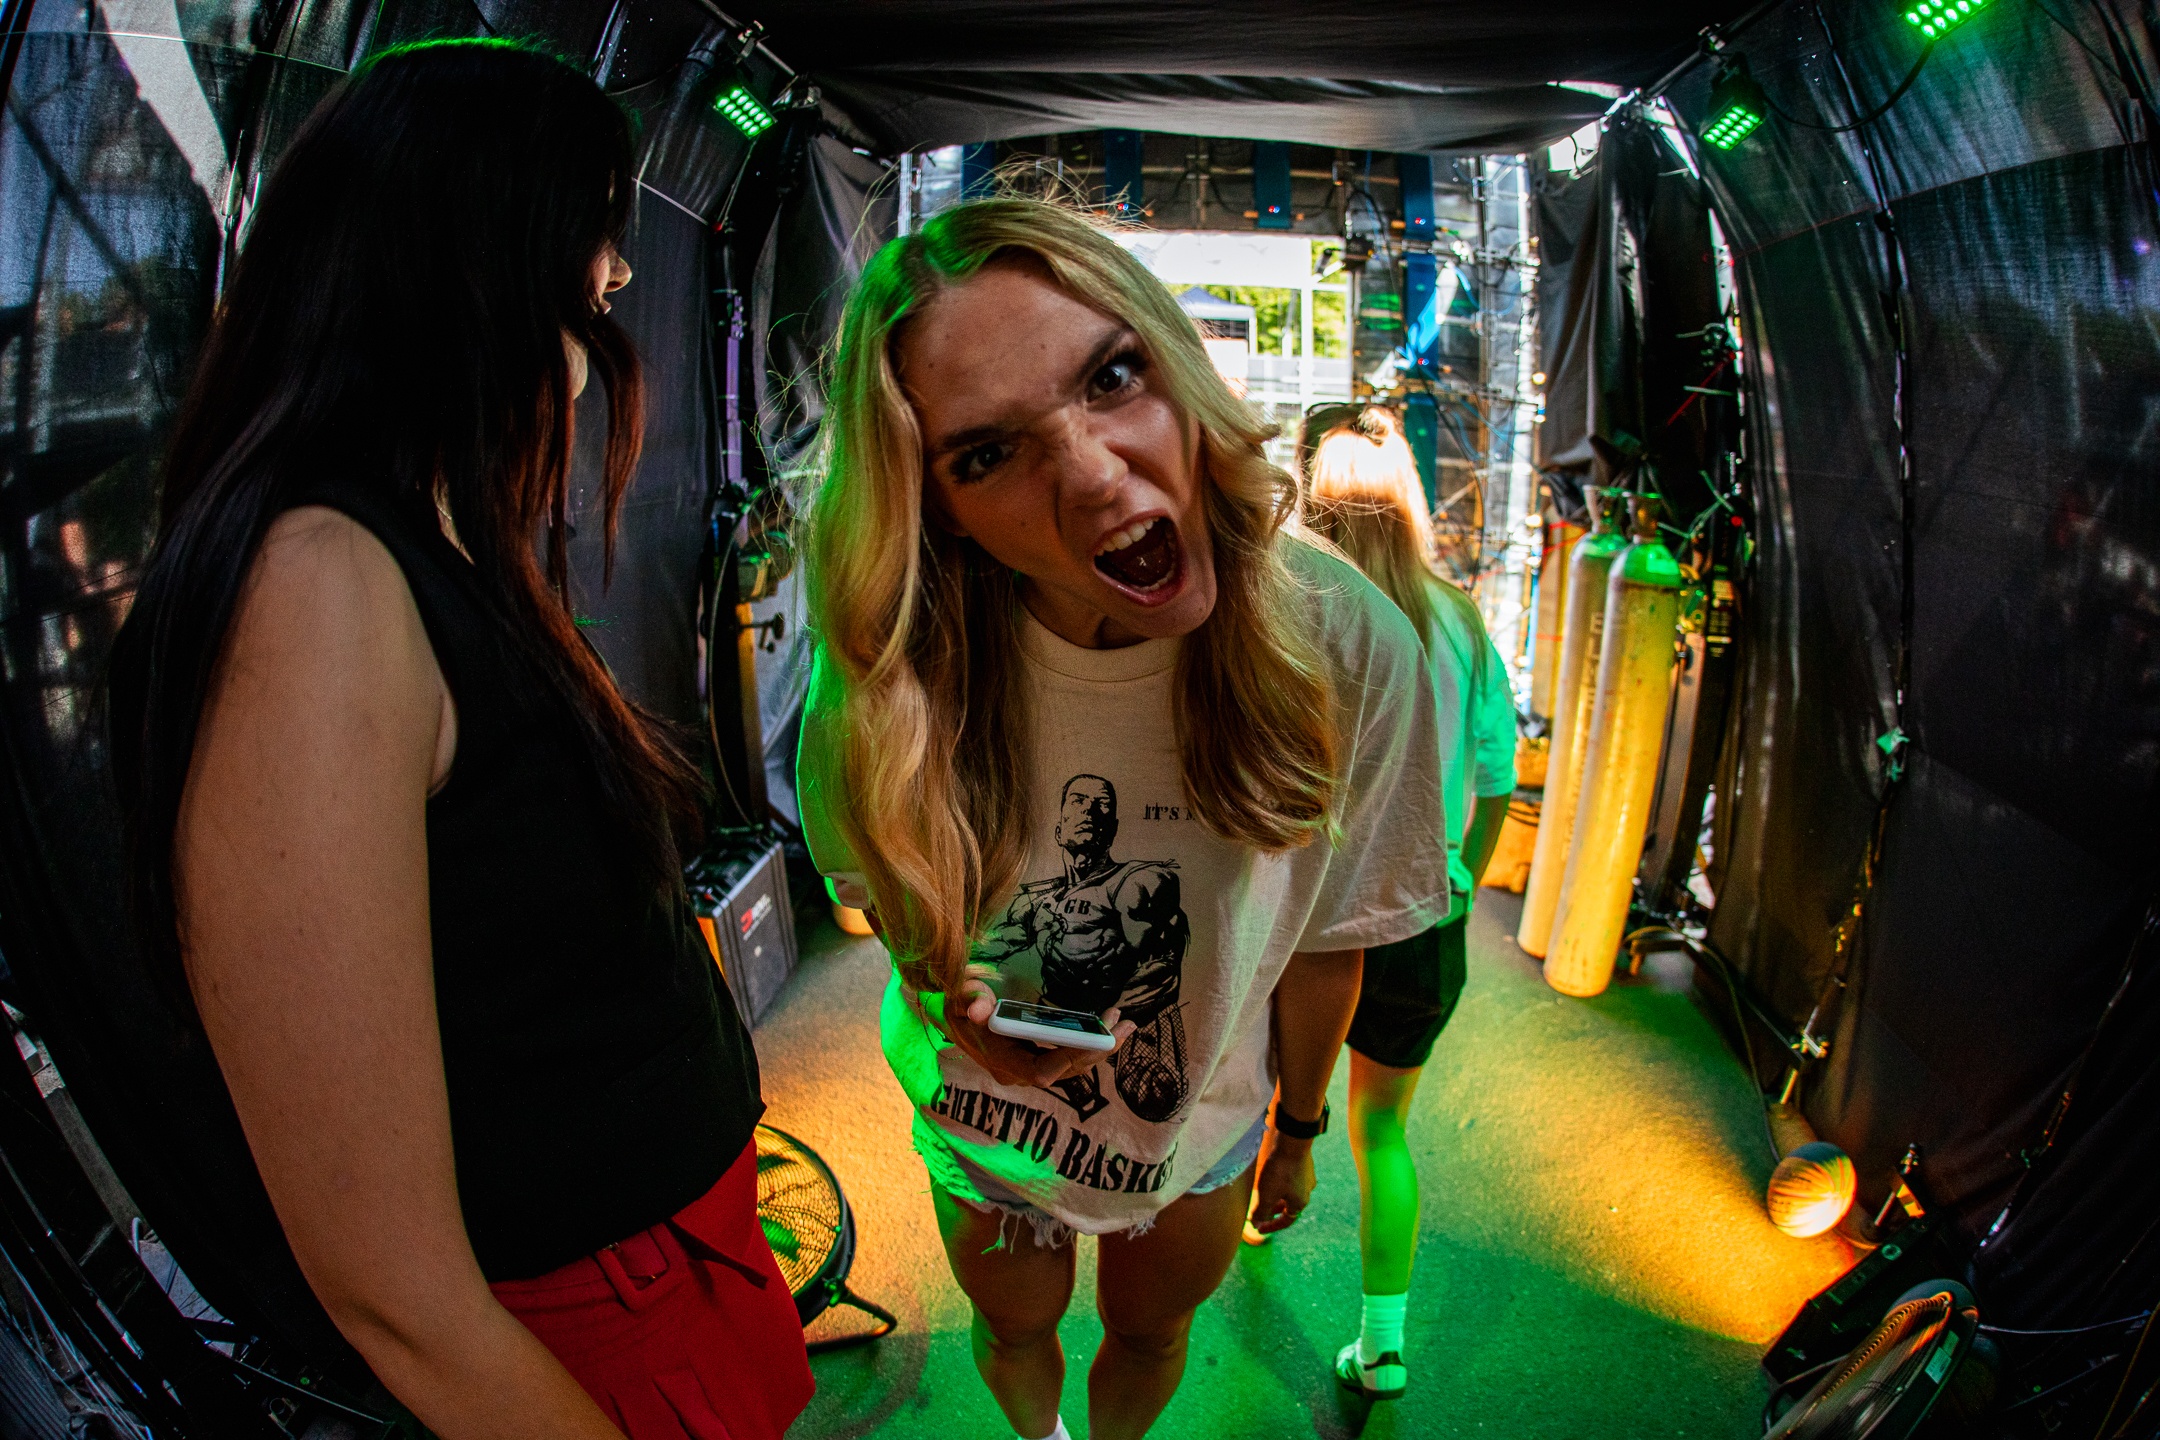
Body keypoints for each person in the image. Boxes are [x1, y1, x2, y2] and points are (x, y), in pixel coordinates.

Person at [105, 41, 811, 1440]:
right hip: (576, 1349)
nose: (609, 306)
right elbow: (392, 1285)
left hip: (673, 1282)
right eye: (591, 268)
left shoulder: (419, 546)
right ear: (477, 266)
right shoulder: (310, 589)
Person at [794, 196, 1450, 1440]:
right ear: (936, 507)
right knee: (1013, 1330)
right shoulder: (894, 662)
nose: (1096, 477)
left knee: (1152, 1333)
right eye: (987, 453)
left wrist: (1300, 1128)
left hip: (1197, 1125)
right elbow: (878, 892)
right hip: (985, 1125)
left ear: (1179, 364)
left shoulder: (1345, 643)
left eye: (1112, 376)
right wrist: (948, 999)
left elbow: (1328, 940)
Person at [1296, 409, 1518, 1402]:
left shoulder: (1306, 612)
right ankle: (1383, 1345)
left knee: (1272, 1099)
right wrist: (1460, 872)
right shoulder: (1460, 622)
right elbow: (1499, 775)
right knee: (1381, 1130)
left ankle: (1258, 1211)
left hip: (1310, 921)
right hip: (1425, 921)